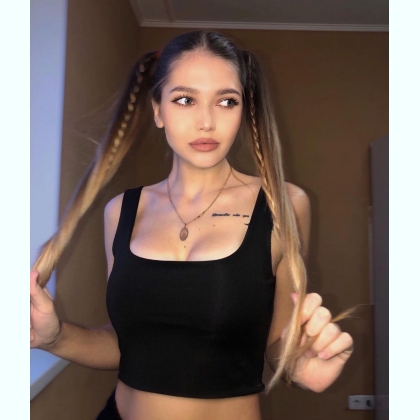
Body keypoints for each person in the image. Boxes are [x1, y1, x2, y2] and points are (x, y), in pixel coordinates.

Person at [30, 31, 354, 420]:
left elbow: (275, 345)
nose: (206, 122)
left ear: (243, 111)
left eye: (227, 101)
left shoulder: (284, 206)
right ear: (158, 111)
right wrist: (55, 337)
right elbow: (129, 346)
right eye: (185, 99)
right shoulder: (121, 211)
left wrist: (299, 362)